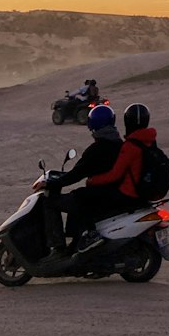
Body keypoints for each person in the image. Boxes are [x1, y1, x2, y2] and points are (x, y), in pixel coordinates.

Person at [36, 103, 136, 252]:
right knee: (77, 196)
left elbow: (77, 174)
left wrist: (50, 184)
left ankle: (57, 246)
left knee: (50, 203)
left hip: (100, 195)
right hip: (114, 193)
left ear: (93, 124)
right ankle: (77, 241)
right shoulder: (120, 145)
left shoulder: (97, 149)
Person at [69, 103, 161, 252]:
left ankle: (91, 235)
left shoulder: (130, 146)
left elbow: (115, 174)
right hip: (144, 192)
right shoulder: (150, 143)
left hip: (127, 193)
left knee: (79, 197)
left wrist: (93, 181)